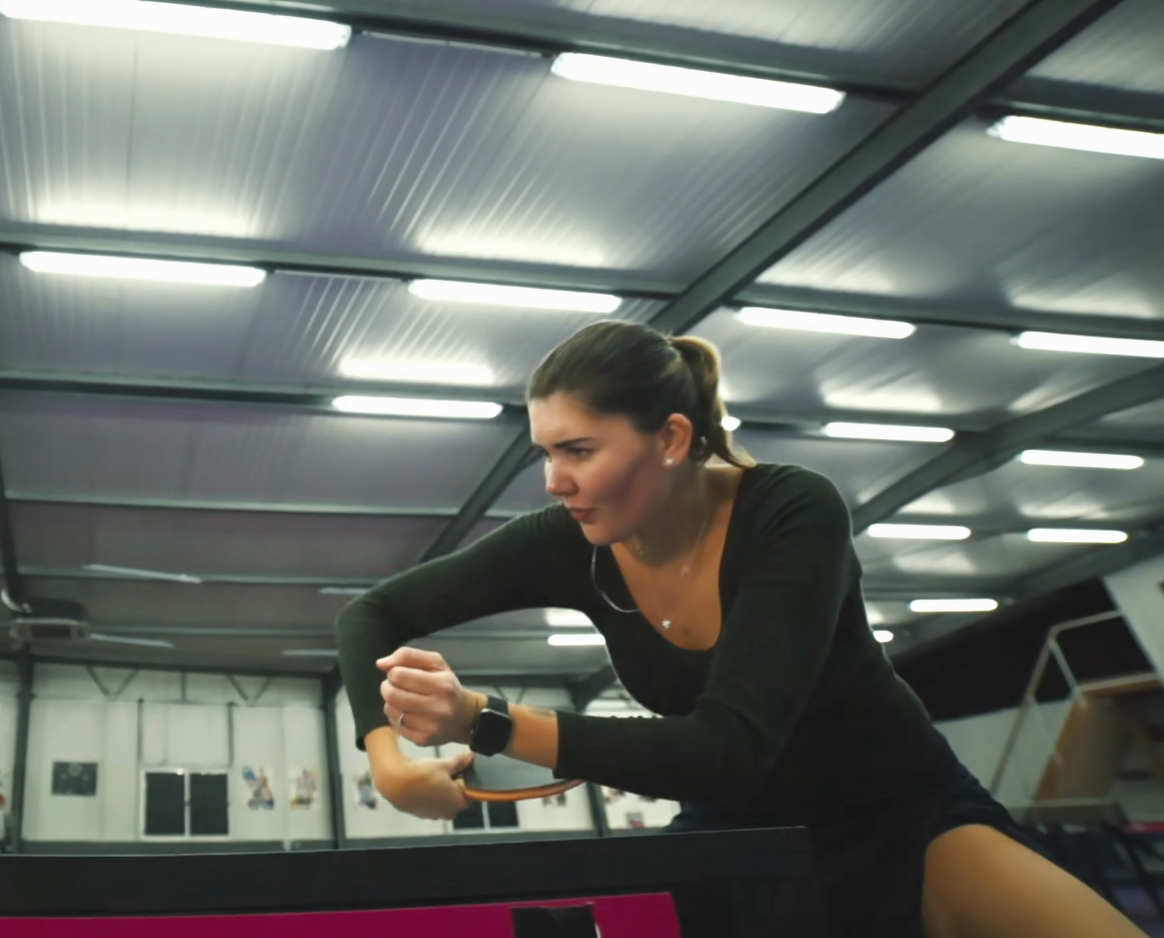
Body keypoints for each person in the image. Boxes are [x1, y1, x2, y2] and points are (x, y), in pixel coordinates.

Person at [336, 320, 1140, 937]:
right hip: (736, 833)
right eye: (545, 453)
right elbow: (370, 614)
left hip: (897, 812)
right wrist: (391, 765)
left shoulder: (790, 511)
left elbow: (728, 747)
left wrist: (486, 721)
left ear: (672, 439)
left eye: (577, 450)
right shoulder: (568, 543)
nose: (554, 481)